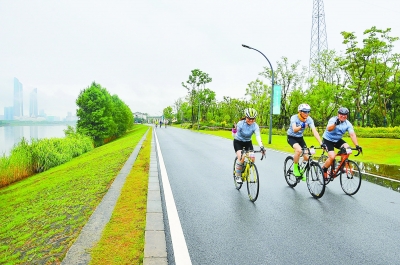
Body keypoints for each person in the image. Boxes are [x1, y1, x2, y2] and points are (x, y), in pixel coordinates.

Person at [321, 107, 362, 178]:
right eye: (341, 114)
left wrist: (357, 145)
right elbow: (329, 129)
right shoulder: (333, 120)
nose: (343, 116)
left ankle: (340, 166)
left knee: (348, 149)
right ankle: (324, 169)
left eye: (345, 115)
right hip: (328, 140)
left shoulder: (348, 124)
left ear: (347, 115)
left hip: (337, 140)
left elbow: (352, 134)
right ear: (338, 114)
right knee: (332, 156)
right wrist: (335, 124)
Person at [287, 103, 325, 181]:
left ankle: (300, 170)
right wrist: (302, 126)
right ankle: (295, 168)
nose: (306, 113)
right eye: (304, 111)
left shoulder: (309, 119)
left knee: (306, 156)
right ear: (300, 111)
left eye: (308, 112)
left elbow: (314, 131)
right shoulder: (294, 118)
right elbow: (294, 129)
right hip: (291, 137)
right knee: (299, 150)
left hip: (300, 138)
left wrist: (321, 143)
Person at [233, 108, 266, 184]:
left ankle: (243, 167)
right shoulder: (240, 124)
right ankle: (238, 174)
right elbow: (234, 135)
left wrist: (261, 146)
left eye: (253, 119)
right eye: (249, 118)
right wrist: (234, 130)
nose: (251, 120)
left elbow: (258, 136)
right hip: (238, 142)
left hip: (248, 142)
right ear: (246, 117)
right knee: (242, 157)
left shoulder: (255, 126)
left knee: (252, 159)